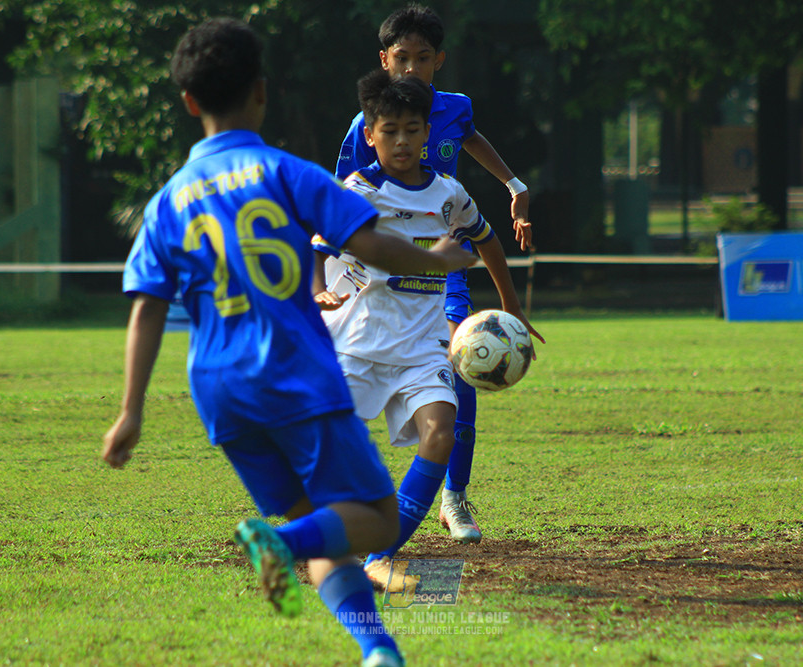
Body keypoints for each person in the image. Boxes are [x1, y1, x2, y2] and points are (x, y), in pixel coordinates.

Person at [101, 18, 474, 667]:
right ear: (262, 92)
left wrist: (131, 410)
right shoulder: (285, 172)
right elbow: (372, 245)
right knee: (377, 519)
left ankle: (378, 648)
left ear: (189, 103)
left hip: (219, 390)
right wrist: (440, 259)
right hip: (293, 370)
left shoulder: (168, 200)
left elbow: (146, 308)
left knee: (326, 530)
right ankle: (280, 544)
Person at [314, 69, 543, 592]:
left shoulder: (449, 194)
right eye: (389, 130)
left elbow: (485, 239)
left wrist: (510, 307)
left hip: (422, 347)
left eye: (412, 130)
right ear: (369, 135)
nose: (401, 140)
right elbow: (320, 246)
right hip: (360, 343)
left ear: (426, 135)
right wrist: (315, 291)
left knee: (440, 433)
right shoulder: (357, 191)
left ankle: (379, 557)